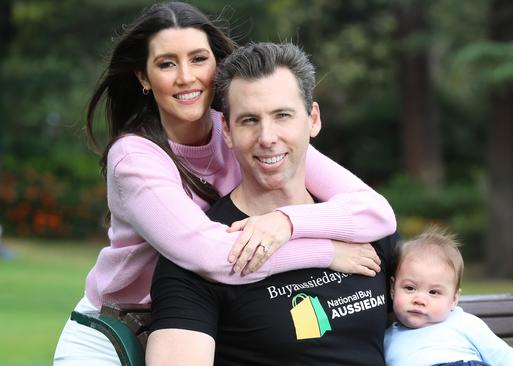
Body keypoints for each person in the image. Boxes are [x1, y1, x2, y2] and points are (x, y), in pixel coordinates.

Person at [53, 2, 396, 365]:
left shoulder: (248, 131)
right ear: (143, 77)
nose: (186, 76)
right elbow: (213, 256)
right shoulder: (135, 159)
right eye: (167, 63)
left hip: (201, 313)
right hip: (118, 327)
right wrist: (328, 253)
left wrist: (285, 222)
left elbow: (375, 211)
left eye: (198, 59)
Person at [146, 41, 397, 366]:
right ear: (227, 130)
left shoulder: (362, 227)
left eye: (282, 116)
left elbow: (428, 328)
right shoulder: (197, 256)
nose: (267, 137)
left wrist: (286, 222)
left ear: (313, 119)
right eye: (249, 120)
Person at [384, 226, 513, 366]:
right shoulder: (386, 338)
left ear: (454, 299)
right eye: (410, 288)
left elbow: (505, 358)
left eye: (434, 292)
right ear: (392, 288)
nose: (420, 300)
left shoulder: (464, 323)